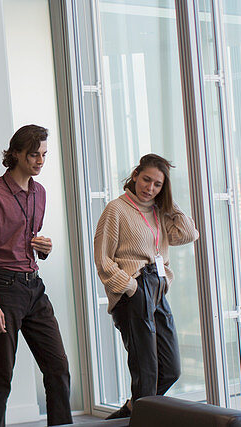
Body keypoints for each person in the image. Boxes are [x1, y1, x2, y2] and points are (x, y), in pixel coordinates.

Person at [0, 125, 71, 426]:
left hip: (34, 286)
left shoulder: (39, 192)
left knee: (58, 368)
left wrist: (44, 248)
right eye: (34, 155)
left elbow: (29, 240)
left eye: (44, 155)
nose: (40, 161)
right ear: (15, 154)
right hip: (3, 288)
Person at [93, 153, 199, 419]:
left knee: (170, 369)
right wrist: (129, 286)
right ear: (135, 175)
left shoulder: (158, 211)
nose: (149, 188)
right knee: (146, 373)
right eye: (146, 180)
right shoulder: (116, 209)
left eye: (158, 185)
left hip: (158, 290)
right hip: (135, 291)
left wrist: (169, 204)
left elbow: (188, 234)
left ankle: (131, 411)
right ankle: (138, 415)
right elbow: (103, 257)